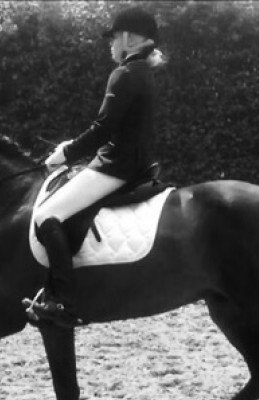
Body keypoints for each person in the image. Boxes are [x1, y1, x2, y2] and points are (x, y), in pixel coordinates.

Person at [28, 6, 167, 328]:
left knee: (46, 216)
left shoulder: (126, 73)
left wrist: (65, 154)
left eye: (114, 36)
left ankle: (62, 301)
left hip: (115, 166)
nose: (111, 44)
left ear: (129, 38)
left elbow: (103, 129)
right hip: (135, 163)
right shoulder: (144, 71)